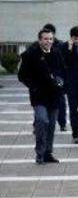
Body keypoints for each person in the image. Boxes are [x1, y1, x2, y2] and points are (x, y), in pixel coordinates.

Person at [18, 28, 66, 164]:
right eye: (45, 39)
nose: (48, 41)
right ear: (40, 40)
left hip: (54, 95)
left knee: (51, 125)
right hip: (39, 96)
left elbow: (63, 70)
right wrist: (33, 87)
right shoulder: (30, 55)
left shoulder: (57, 53)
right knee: (42, 121)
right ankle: (39, 152)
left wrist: (61, 82)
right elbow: (22, 75)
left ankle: (47, 153)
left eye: (51, 39)